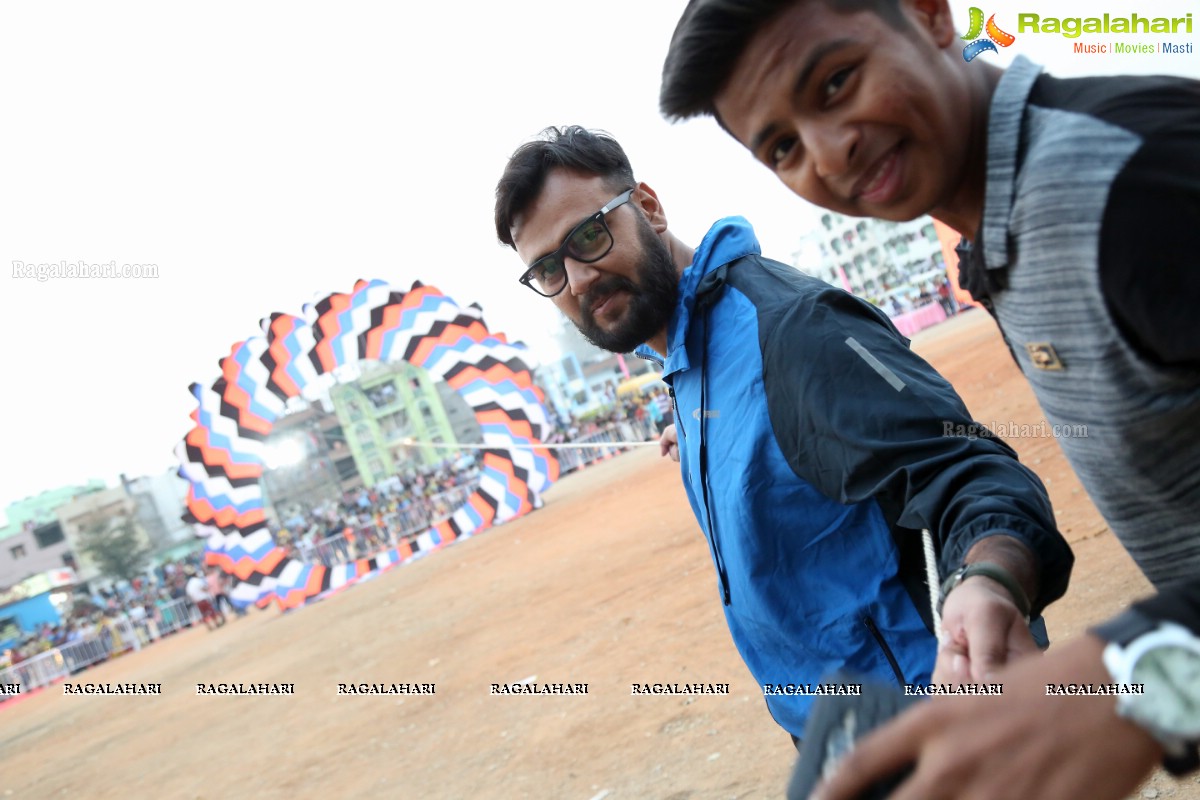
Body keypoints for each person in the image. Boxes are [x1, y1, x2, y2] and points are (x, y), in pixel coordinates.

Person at [659, 0, 1200, 793]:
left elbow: (959, 468)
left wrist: (1138, 681)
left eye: (836, 82)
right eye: (781, 145)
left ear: (931, 14)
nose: (829, 151)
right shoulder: (1006, 225)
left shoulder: (1128, 184)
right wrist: (994, 582)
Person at [494, 126, 1072, 742]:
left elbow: (969, 473)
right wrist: (696, 438)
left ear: (649, 207)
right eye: (547, 269)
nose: (578, 279)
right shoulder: (689, 369)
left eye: (588, 235)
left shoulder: (793, 331)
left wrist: (991, 581)